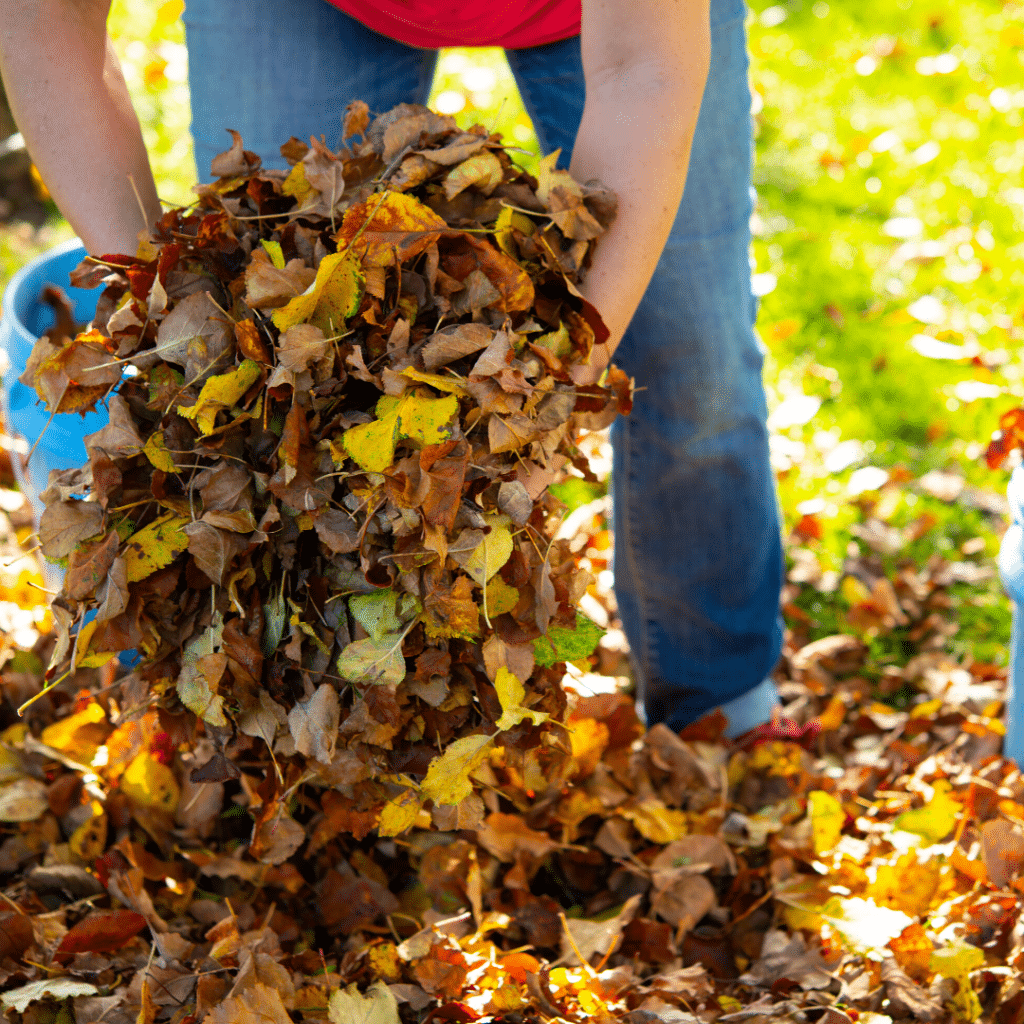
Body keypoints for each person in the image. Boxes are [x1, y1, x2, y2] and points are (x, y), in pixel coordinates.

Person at [0, 0, 785, 737]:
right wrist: (160, 294)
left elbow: (645, 69)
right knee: (283, 379)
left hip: (606, 22)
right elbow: (44, 19)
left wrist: (560, 377)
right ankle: (317, 742)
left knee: (693, 361)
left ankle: (721, 705)